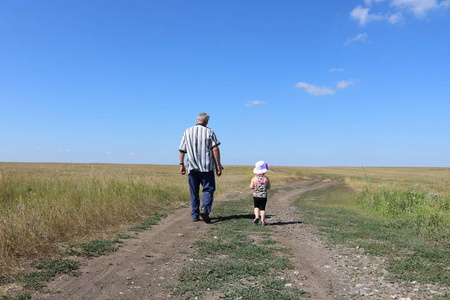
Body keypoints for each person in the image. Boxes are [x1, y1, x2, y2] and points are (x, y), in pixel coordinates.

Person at [179, 112, 223, 223]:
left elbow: (182, 150)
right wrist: (218, 165)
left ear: (197, 119)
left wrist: (181, 164)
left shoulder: (187, 131)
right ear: (206, 121)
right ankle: (205, 209)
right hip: (207, 167)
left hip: (192, 167)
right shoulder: (209, 132)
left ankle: (195, 215)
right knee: (208, 189)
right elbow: (215, 149)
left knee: (194, 191)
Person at [249, 161, 271, 226]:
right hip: (264, 196)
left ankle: (256, 217)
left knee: (256, 207)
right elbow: (269, 187)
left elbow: (251, 187)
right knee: (262, 209)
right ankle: (263, 221)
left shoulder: (254, 178)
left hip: (256, 196)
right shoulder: (266, 179)